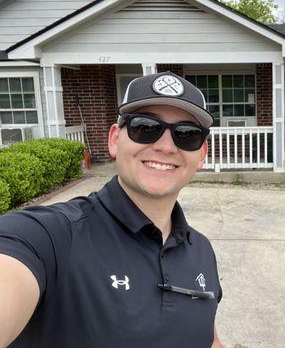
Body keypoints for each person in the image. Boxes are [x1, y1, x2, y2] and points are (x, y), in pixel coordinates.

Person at [0, 71, 223, 348]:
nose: (166, 146)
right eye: (146, 127)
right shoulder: (53, 237)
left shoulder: (201, 250)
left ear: (201, 155)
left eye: (186, 135)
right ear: (115, 139)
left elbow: (208, 338)